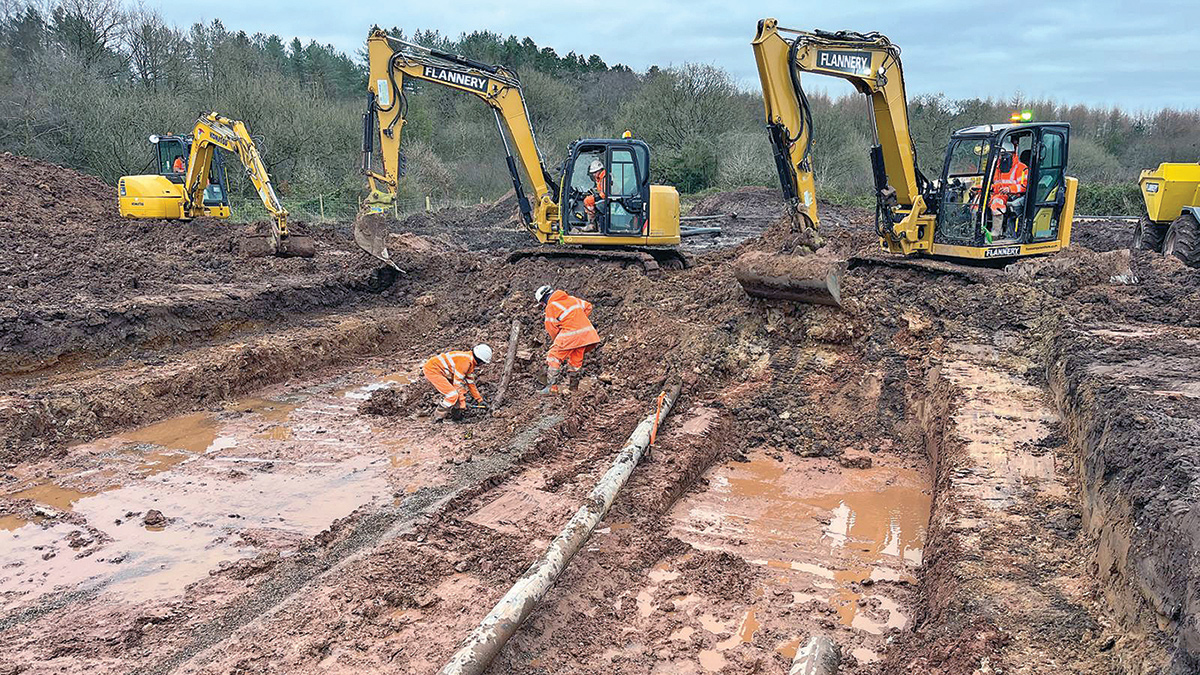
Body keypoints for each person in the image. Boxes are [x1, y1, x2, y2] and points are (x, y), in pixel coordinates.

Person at [535, 285, 601, 395]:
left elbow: (552, 329)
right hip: (587, 334)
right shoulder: (572, 299)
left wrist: (558, 340)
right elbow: (588, 307)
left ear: (544, 299)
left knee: (553, 356)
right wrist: (577, 320)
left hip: (570, 334)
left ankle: (552, 389)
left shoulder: (551, 306)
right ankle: (573, 389)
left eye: (542, 303)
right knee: (575, 361)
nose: (543, 305)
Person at [422, 344, 492, 420]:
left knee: (457, 396)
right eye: (483, 363)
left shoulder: (470, 362)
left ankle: (456, 418)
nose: (482, 365)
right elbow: (458, 384)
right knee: (452, 395)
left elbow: (471, 384)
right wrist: (462, 404)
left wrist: (479, 400)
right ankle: (437, 417)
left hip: (443, 371)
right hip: (433, 370)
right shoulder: (465, 362)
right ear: (479, 360)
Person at [987, 138, 1028, 242]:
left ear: (1010, 154)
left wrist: (1010, 189)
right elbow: (995, 183)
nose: (1000, 158)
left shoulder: (1022, 168)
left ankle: (996, 234)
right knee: (977, 202)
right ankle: (974, 231)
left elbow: (1024, 186)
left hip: (1012, 196)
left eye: (1002, 155)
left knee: (997, 204)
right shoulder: (997, 167)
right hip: (997, 193)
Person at [580, 158, 606, 233]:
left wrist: (594, 197)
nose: (594, 175)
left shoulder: (605, 178)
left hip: (608, 200)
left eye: (595, 172)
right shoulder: (601, 178)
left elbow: (604, 194)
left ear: (599, 170)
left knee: (588, 201)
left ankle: (592, 225)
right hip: (606, 198)